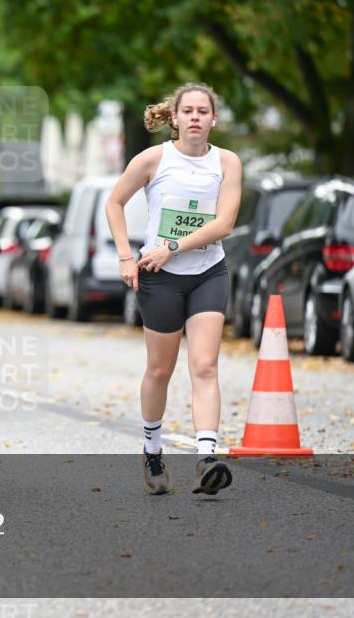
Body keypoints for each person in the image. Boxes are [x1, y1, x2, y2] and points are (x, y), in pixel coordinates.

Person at [104, 82, 242, 496]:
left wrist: (174, 247)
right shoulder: (153, 159)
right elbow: (114, 202)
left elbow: (225, 224)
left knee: (204, 365)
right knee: (160, 370)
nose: (196, 117)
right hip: (159, 277)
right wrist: (127, 256)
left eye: (204, 111)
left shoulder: (228, 162)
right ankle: (152, 449)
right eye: (189, 111)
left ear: (213, 120)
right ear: (175, 118)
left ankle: (206, 457)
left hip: (207, 271)